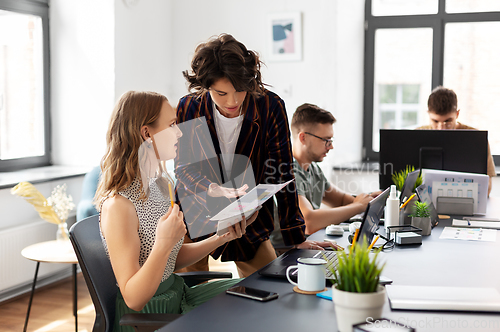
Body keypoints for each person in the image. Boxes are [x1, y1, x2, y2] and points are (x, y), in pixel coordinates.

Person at [94, 91, 255, 332]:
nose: (180, 132)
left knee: (253, 295)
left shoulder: (160, 186)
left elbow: (170, 259)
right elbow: (134, 298)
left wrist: (223, 237)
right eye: (172, 125)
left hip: (178, 296)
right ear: (147, 134)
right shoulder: (119, 206)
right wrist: (163, 243)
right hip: (149, 315)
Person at [175, 34, 333, 278]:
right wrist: (213, 188)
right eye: (221, 93)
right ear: (206, 87)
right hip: (196, 212)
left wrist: (295, 235)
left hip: (248, 218)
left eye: (240, 90)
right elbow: (183, 168)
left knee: (269, 286)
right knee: (193, 294)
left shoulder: (270, 106)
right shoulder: (189, 107)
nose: (233, 101)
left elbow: (282, 171)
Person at [290, 103, 380, 235]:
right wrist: (359, 206)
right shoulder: (289, 172)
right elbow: (308, 221)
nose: (330, 146)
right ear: (303, 138)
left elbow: (341, 200)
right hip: (287, 251)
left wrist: (370, 200)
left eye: (331, 140)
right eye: (326, 140)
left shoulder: (313, 168)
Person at [417, 86, 496, 196]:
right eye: (435, 121)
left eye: (447, 121)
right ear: (428, 114)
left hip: (466, 203)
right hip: (423, 205)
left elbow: (486, 188)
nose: (441, 128)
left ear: (457, 114)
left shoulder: (476, 139)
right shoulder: (417, 135)